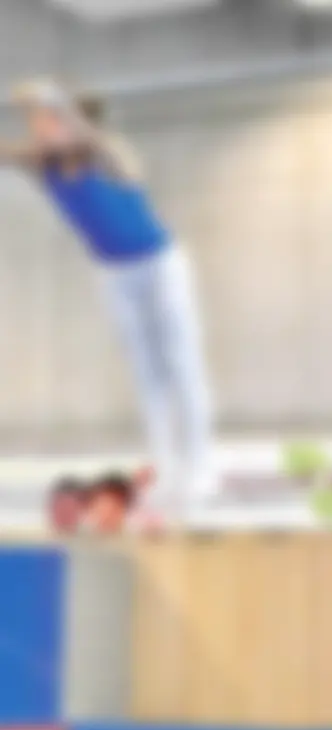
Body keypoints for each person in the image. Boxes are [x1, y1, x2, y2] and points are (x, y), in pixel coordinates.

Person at [4, 78, 214, 518]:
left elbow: (84, 134)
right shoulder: (41, 164)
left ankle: (201, 465)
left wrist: (52, 97)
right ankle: (167, 465)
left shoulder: (109, 154)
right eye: (38, 122)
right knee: (146, 373)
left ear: (69, 123)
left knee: (181, 361)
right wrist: (41, 112)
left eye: (48, 121)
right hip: (114, 274)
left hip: (161, 266)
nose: (39, 129)